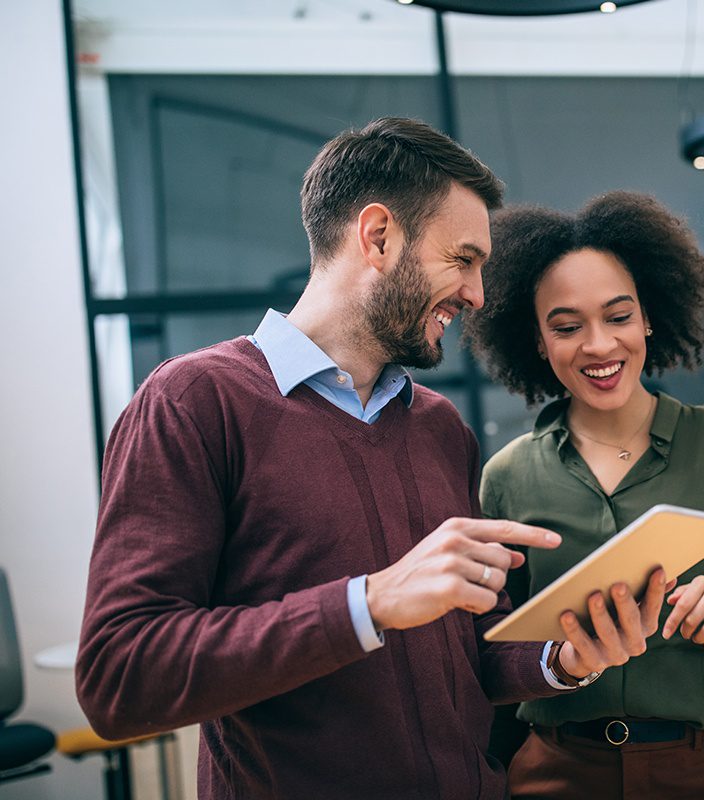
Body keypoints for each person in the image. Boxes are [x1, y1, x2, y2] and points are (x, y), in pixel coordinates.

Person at [75, 118, 666, 800]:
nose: (476, 294)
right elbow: (120, 678)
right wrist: (370, 603)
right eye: (463, 259)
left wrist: (561, 659)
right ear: (378, 236)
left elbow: (474, 652)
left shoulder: (441, 427)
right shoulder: (194, 401)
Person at [463, 191, 704, 800]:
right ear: (538, 341)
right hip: (559, 773)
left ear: (649, 317)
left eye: (618, 317)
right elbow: (491, 658)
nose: (599, 346)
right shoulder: (507, 476)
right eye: (567, 327)